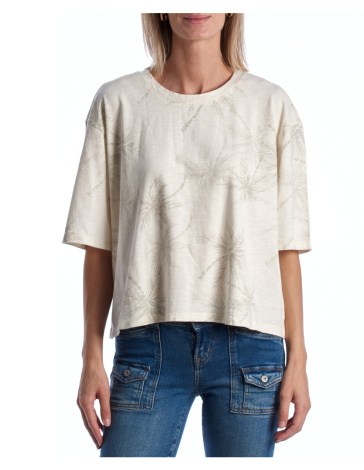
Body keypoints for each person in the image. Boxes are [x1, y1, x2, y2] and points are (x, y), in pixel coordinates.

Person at [62, 13, 312, 457]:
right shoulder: (118, 103)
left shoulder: (270, 106)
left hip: (250, 348)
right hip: (148, 345)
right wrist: (90, 356)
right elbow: (99, 246)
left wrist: (299, 359)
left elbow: (285, 248)